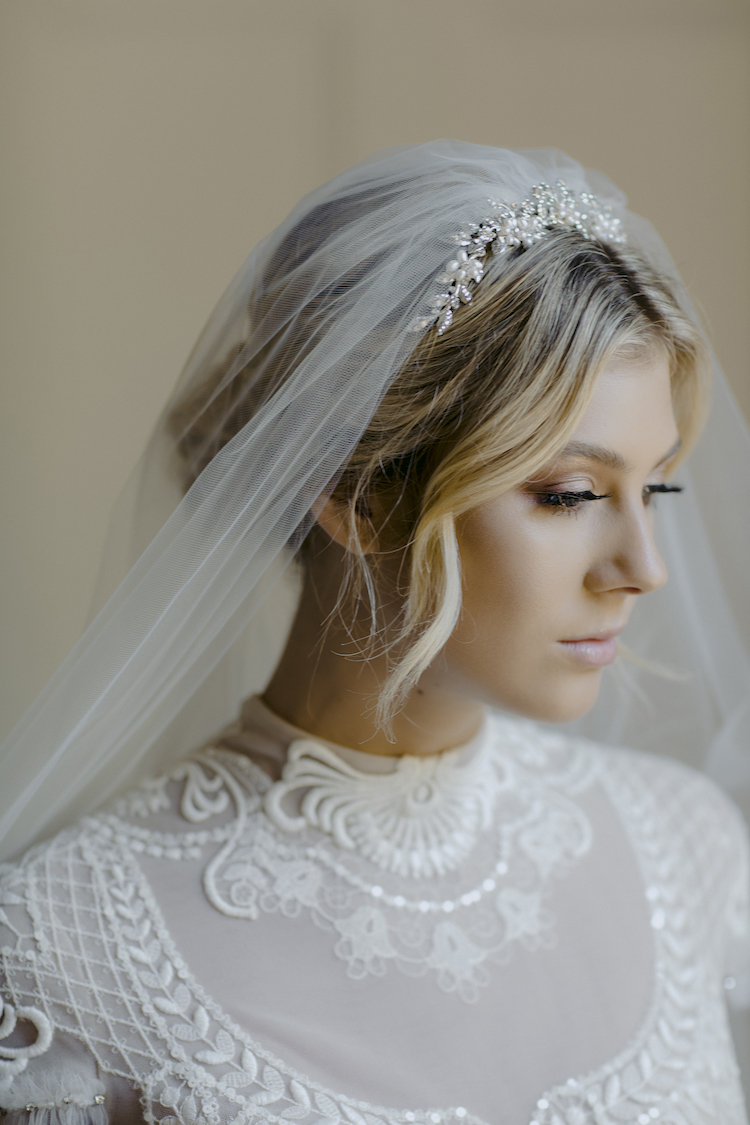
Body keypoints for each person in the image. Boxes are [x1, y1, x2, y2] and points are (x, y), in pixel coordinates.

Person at [1, 142, 750, 1125]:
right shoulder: (67, 948)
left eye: (655, 489)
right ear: (354, 492)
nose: (644, 568)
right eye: (570, 494)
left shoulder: (688, 852)